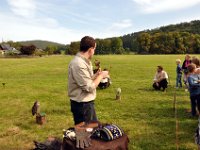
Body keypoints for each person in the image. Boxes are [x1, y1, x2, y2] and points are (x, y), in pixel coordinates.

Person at [68, 36, 109, 125]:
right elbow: (89, 87)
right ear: (90, 49)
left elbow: (86, 79)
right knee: (87, 135)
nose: (94, 52)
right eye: (94, 49)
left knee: (89, 133)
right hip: (83, 106)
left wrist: (95, 75)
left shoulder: (82, 61)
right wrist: (101, 76)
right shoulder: (78, 63)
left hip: (84, 105)